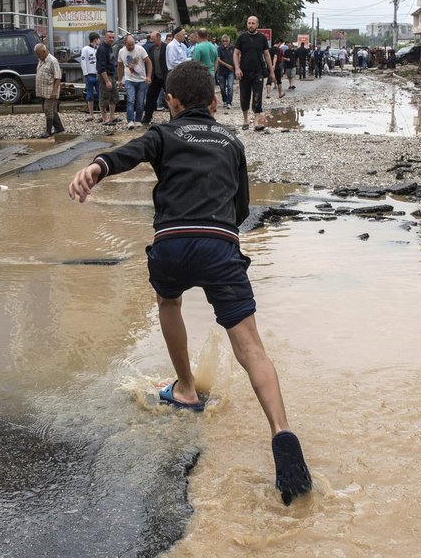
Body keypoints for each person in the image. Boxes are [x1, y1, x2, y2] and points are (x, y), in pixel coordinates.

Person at [66, 61, 313, 506]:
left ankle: (185, 389)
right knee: (251, 346)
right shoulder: (231, 141)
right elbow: (240, 209)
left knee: (169, 303)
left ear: (171, 102)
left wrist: (98, 167)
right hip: (220, 247)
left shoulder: (164, 134)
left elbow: (132, 151)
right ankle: (282, 432)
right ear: (215, 102)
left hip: (173, 245)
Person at [233, 16, 273, 131]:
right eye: (249, 23)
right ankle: (245, 120)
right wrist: (237, 68)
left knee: (258, 96)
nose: (250, 25)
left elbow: (266, 55)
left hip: (258, 72)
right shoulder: (241, 37)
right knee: (244, 96)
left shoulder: (262, 38)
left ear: (257, 25)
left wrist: (271, 71)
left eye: (253, 23)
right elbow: (235, 54)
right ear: (247, 24)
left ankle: (256, 122)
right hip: (244, 72)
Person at [117, 34, 151, 129]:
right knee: (130, 100)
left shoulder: (140, 49)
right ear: (125, 44)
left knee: (140, 102)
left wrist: (148, 76)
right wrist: (120, 80)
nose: (131, 47)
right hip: (129, 79)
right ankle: (130, 120)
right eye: (129, 45)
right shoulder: (121, 51)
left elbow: (149, 62)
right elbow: (119, 66)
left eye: (132, 44)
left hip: (141, 79)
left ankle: (138, 120)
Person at [34, 43, 64, 138]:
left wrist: (54, 91)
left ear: (44, 51)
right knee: (52, 110)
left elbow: (58, 77)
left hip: (50, 91)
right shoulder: (41, 60)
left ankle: (48, 131)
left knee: (48, 110)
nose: (37, 56)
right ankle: (59, 128)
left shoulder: (52, 61)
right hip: (42, 91)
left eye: (38, 54)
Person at [142, 31, 168, 126]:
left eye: (153, 39)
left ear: (159, 37)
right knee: (150, 97)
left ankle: (174, 117)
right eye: (151, 39)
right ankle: (147, 117)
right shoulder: (151, 48)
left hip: (165, 77)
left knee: (170, 97)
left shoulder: (166, 47)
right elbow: (149, 62)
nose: (152, 41)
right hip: (155, 77)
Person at [96, 30, 120, 126]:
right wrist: (107, 81)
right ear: (105, 38)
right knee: (104, 97)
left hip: (111, 75)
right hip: (104, 76)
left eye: (113, 37)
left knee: (114, 96)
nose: (111, 39)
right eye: (109, 37)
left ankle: (112, 117)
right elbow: (101, 67)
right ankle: (104, 118)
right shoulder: (102, 49)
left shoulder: (110, 47)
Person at [80, 32, 100, 122]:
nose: (99, 41)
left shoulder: (98, 49)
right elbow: (83, 62)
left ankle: (102, 114)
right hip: (90, 75)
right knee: (90, 95)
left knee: (101, 95)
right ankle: (91, 114)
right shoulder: (85, 49)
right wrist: (86, 74)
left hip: (98, 75)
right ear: (95, 39)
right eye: (98, 39)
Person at [215, 33, 235, 109]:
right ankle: (224, 100)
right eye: (223, 41)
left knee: (230, 87)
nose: (225, 42)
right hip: (222, 71)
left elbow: (237, 56)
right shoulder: (219, 48)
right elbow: (218, 59)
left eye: (226, 41)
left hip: (231, 71)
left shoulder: (233, 48)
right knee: (222, 88)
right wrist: (227, 65)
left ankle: (229, 102)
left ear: (229, 41)